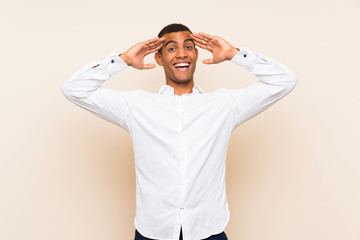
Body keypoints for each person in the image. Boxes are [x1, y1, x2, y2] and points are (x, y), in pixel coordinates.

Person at [62, 23, 298, 240]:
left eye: (188, 47)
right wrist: (122, 60)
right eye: (171, 48)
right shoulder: (137, 106)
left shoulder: (224, 105)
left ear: (196, 54)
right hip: (153, 232)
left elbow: (285, 81)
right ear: (159, 58)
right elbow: (74, 89)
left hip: (209, 231)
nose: (182, 53)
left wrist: (236, 54)